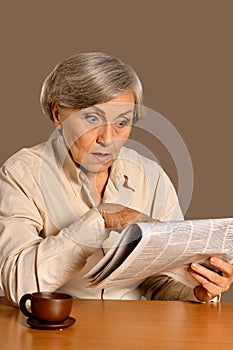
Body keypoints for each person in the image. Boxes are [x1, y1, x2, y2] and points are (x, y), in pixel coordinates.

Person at [0, 52, 232, 307]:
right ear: (58, 114)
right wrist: (99, 220)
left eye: (122, 122)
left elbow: (159, 282)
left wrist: (198, 289)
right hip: (56, 333)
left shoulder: (151, 176)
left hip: (130, 333)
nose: (107, 138)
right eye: (92, 118)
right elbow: (16, 284)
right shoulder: (22, 173)